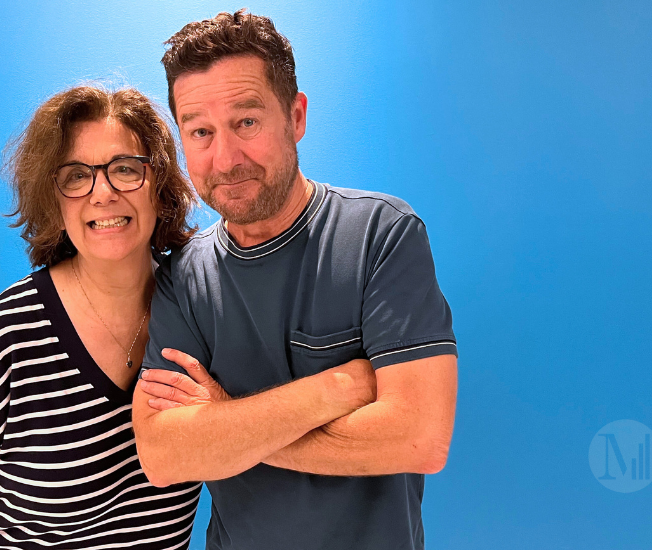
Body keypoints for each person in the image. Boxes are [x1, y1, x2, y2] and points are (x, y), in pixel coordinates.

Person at [132, 10, 458, 550]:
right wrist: (338, 387)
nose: (226, 157)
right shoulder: (181, 279)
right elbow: (166, 457)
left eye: (248, 122)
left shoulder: (381, 235)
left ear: (296, 115)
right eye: (201, 132)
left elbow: (420, 437)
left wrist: (223, 428)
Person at [0, 86, 202, 550]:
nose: (103, 193)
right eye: (77, 176)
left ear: (160, 184)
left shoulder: (201, 310)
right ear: (53, 200)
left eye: (126, 169)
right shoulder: (6, 335)